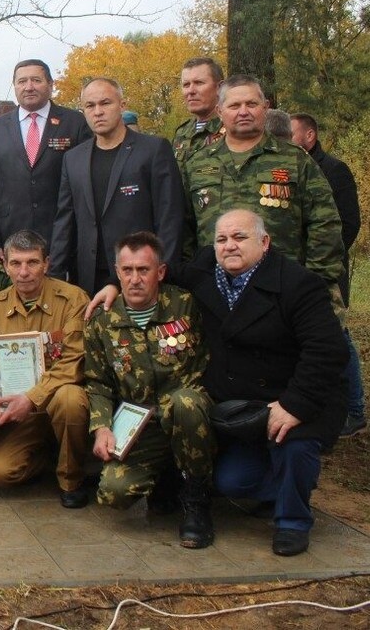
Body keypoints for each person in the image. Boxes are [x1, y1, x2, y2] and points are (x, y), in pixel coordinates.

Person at [182, 210, 348, 556]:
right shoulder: (203, 276)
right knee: (231, 481)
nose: (230, 246)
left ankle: (292, 521)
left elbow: (328, 350)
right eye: (222, 239)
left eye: (240, 238)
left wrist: (294, 404)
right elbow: (155, 278)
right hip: (244, 408)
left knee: (294, 446)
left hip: (296, 397)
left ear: (265, 242)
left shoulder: (299, 285)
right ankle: (278, 487)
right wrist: (111, 287)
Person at [83, 231, 215, 549]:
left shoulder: (184, 304)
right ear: (117, 273)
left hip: (187, 413)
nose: (135, 279)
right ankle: (166, 476)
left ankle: (197, 501)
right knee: (113, 493)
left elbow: (208, 359)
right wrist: (101, 427)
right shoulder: (102, 320)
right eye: (127, 271)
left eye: (144, 270)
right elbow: (97, 382)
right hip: (141, 423)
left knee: (184, 403)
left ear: (161, 272)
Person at [182, 75, 345, 301]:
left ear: (266, 107)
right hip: (217, 292)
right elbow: (184, 228)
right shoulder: (197, 164)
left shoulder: (295, 160)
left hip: (283, 290)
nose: (243, 112)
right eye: (234, 105)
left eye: (251, 104)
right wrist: (196, 280)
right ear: (220, 111)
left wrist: (314, 279)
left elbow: (325, 221)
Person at [0, 230, 93, 508]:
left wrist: (31, 397)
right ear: (6, 265)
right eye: (16, 263)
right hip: (22, 411)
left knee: (70, 398)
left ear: (46, 264)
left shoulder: (73, 300)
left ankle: (71, 480)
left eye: (32, 262)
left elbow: (74, 360)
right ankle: (49, 456)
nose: (24, 272)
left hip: (58, 400)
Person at [51, 77, 184, 293]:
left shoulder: (153, 150)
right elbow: (65, 219)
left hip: (140, 276)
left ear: (122, 105)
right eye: (90, 106)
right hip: (88, 278)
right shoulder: (73, 158)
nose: (98, 112)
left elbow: (170, 218)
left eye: (105, 103)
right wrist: (55, 274)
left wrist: (162, 272)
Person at [291, 112, 365, 437]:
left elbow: (348, 223)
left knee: (338, 336)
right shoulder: (291, 168)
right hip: (299, 271)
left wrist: (325, 263)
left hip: (327, 273)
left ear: (310, 135)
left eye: (293, 135)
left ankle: (355, 409)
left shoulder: (334, 170)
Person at [0, 59, 91, 259]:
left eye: (36, 80)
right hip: (11, 236)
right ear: (15, 86)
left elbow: (86, 183)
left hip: (64, 235)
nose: (28, 87)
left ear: (50, 84)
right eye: (22, 81)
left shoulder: (75, 122)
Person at [172, 57, 224, 164]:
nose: (190, 91)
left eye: (199, 83)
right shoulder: (182, 132)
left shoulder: (234, 129)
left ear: (220, 87)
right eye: (186, 85)